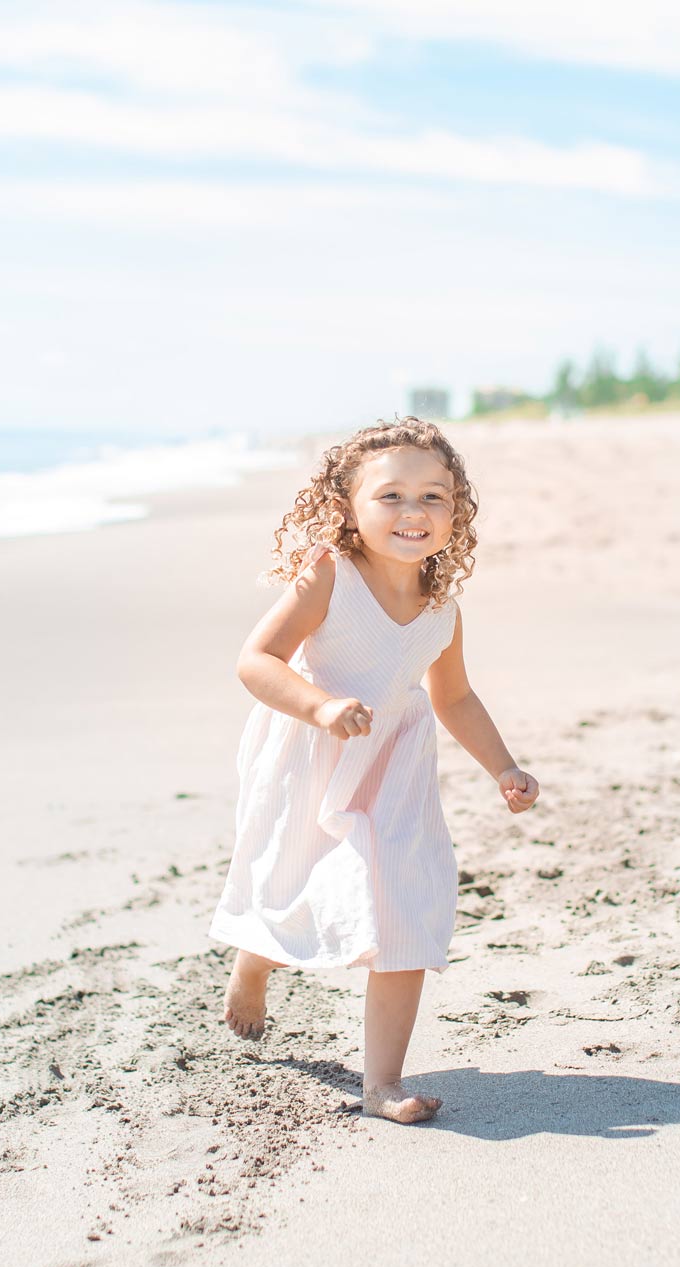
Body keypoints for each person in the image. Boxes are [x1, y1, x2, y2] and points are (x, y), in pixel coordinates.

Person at [210, 417, 539, 1120]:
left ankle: (382, 1082)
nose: (413, 512)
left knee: (403, 904)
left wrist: (503, 766)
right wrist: (322, 707)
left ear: (458, 512)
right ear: (348, 509)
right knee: (289, 878)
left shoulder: (441, 608)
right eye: (391, 496)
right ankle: (254, 960)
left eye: (434, 496)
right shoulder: (329, 575)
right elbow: (255, 661)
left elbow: (455, 698)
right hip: (309, 747)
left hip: (394, 765)